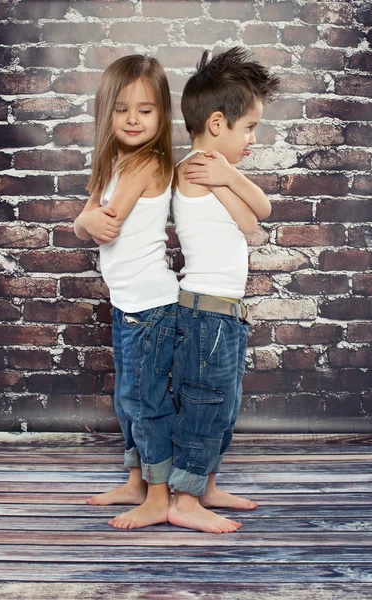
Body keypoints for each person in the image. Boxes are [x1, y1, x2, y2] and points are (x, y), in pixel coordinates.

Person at [167, 47, 280, 533]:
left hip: (224, 314)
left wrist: (230, 176)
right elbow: (255, 218)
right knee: (204, 402)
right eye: (249, 127)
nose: (253, 139)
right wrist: (229, 180)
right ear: (217, 123)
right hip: (205, 314)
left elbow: (257, 214)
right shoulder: (196, 169)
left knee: (225, 406)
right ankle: (184, 499)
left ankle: (206, 484)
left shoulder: (217, 170)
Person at [73, 55, 179, 529]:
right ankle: (136, 479)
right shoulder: (115, 163)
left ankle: (159, 495)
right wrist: (83, 220)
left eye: (145, 109)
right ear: (106, 113)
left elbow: (104, 226)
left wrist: (86, 222)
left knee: (147, 400)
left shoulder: (149, 163)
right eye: (122, 109)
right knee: (127, 398)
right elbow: (88, 216)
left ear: (163, 115)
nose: (133, 119)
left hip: (151, 306)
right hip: (127, 305)